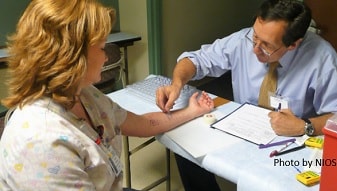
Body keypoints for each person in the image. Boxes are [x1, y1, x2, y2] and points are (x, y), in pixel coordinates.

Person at [0, 0, 214, 191]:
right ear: (71, 56)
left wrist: (191, 111)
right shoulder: (42, 142)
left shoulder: (84, 95)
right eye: (102, 47)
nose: (107, 57)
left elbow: (143, 123)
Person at [156, 0, 337, 190]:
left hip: (290, 142)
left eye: (267, 46)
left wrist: (305, 126)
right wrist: (177, 84)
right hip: (243, 128)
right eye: (255, 37)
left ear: (293, 44)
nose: (255, 49)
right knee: (185, 146)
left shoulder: (322, 58)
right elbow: (195, 60)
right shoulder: (244, 40)